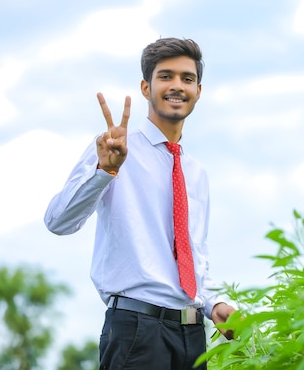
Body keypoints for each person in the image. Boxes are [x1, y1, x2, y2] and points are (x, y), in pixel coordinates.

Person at [44, 37, 235, 369]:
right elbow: (59, 221)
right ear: (146, 87)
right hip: (137, 330)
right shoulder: (115, 149)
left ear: (198, 92)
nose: (177, 86)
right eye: (166, 76)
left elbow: (194, 257)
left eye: (187, 78)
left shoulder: (196, 173)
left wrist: (215, 303)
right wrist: (106, 170)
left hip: (192, 336)